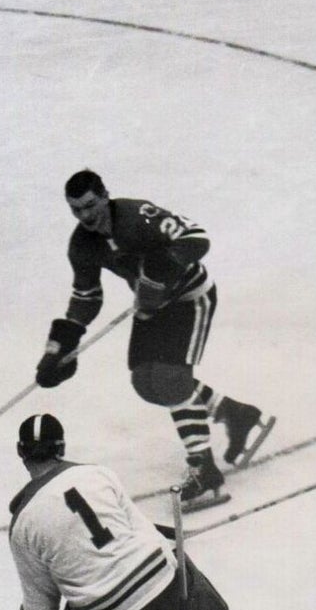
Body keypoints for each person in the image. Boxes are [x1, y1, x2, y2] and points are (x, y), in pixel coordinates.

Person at [35, 169, 276, 512]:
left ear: (105, 195)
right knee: (146, 382)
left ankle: (204, 471)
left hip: (190, 297)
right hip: (151, 308)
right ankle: (237, 414)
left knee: (169, 380)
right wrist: (61, 346)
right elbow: (86, 297)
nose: (85, 215)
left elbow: (196, 237)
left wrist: (161, 270)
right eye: (76, 210)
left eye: (90, 205)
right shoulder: (82, 244)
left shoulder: (137, 216)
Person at [0, 412, 213, 610]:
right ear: (62, 447)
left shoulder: (23, 524)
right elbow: (142, 532)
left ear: (20, 451)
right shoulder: (99, 474)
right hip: (164, 584)